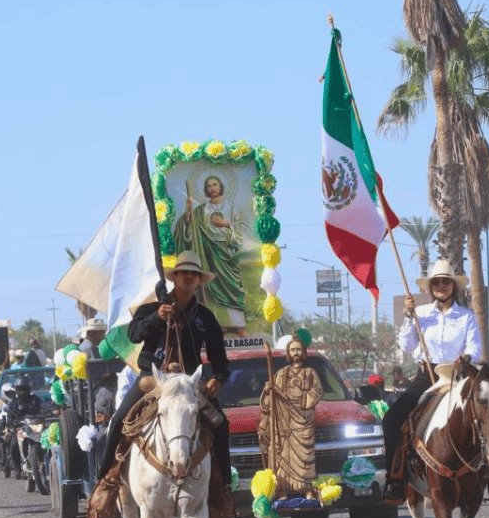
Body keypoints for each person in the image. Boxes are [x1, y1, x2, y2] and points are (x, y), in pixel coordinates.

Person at [95, 251, 231, 493]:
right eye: (183, 273)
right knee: (118, 421)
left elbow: (219, 360)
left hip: (189, 385)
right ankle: (105, 480)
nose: (188, 278)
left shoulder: (207, 318)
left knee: (221, 424)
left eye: (194, 274)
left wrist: (217, 379)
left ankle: (223, 489)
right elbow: (134, 335)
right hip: (152, 381)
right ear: (174, 277)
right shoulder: (151, 309)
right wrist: (156, 319)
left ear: (200, 280)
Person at [382, 260, 482, 504]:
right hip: (426, 377)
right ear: (430, 288)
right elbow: (405, 346)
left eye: (445, 282)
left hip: (458, 377)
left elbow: (475, 348)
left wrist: (465, 358)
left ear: (452, 286)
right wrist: (408, 318)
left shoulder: (466, 316)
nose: (440, 286)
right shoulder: (421, 314)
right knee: (391, 420)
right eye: (436, 282)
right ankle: (395, 478)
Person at [173, 175, 247, 329]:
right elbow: (188, 230)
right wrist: (187, 213)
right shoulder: (200, 210)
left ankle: (236, 325)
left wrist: (226, 224)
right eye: (209, 186)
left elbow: (243, 229)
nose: (212, 188)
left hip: (226, 253)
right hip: (206, 253)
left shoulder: (232, 207)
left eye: (215, 185)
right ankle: (217, 325)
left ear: (220, 186)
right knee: (209, 288)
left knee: (231, 288)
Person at [259, 337, 324, 499]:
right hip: (283, 424)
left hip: (303, 423)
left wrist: (302, 396)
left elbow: (317, 392)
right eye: (292, 350)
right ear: (288, 353)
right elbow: (268, 404)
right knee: (282, 456)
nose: (296, 353)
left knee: (305, 458)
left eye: (298, 349)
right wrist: (268, 391)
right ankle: (282, 490)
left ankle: (307, 489)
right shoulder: (281, 374)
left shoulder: (310, 373)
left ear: (304, 352)